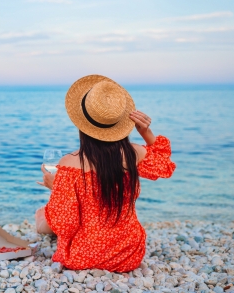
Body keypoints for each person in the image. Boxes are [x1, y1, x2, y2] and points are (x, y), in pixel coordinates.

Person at [35, 74, 176, 272]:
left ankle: (38, 224)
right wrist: (146, 132)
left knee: (42, 216)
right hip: (128, 254)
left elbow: (67, 224)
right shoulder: (134, 153)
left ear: (81, 124)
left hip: (83, 256)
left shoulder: (69, 163)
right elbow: (164, 165)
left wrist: (56, 188)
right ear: (119, 124)